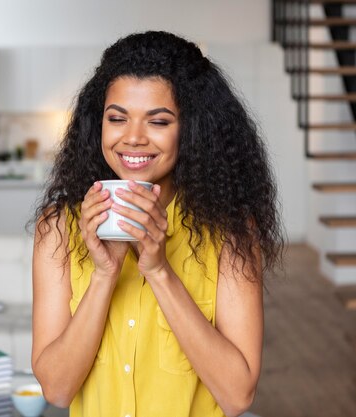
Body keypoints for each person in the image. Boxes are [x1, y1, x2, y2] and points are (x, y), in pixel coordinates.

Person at [30, 31, 283, 417]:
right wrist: (104, 274)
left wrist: (159, 270)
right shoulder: (59, 229)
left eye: (158, 121)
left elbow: (237, 395)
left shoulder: (230, 231)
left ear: (192, 129)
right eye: (117, 118)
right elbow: (57, 390)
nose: (133, 138)